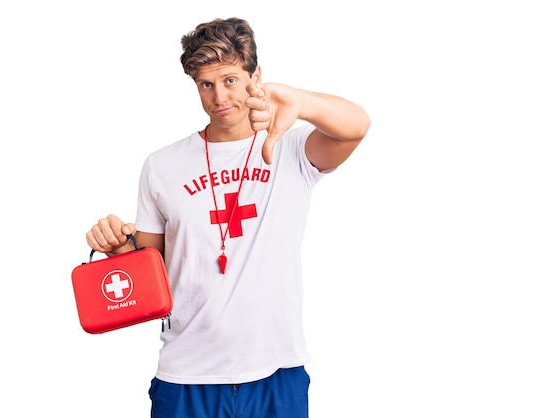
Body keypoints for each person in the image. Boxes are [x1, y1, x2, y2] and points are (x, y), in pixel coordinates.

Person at [86, 17, 370, 418]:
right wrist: (118, 249)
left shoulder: (290, 150)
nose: (219, 97)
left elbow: (356, 127)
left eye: (231, 80)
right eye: (206, 84)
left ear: (256, 76)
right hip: (187, 375)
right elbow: (151, 271)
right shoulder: (162, 166)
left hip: (276, 370)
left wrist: (301, 103)